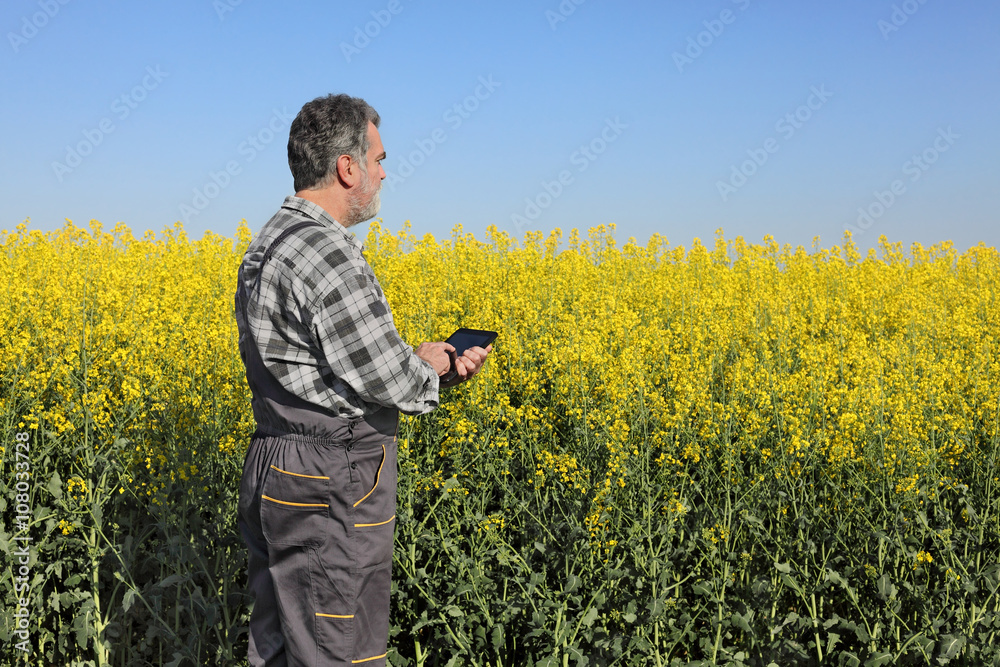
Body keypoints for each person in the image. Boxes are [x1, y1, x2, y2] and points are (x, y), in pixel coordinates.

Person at [234, 93, 491, 667]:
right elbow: (387, 376)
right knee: (336, 648)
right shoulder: (328, 253)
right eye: (376, 159)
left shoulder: (271, 239)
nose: (382, 171)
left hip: (277, 462)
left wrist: (414, 357)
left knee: (281, 646)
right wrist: (441, 365)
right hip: (329, 479)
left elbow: (333, 363)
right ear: (346, 168)